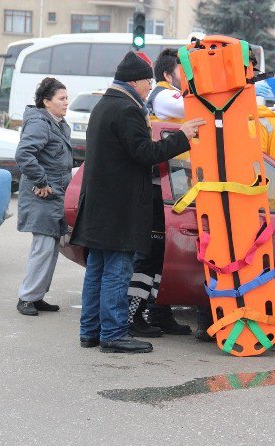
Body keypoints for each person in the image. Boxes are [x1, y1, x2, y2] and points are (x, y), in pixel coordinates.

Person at [71, 51, 205, 353]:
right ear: (134, 81)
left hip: (99, 206)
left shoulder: (105, 105)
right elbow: (145, 153)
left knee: (97, 272)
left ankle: (90, 331)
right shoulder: (126, 109)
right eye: (147, 82)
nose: (149, 87)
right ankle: (114, 334)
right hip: (119, 209)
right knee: (117, 272)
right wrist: (182, 136)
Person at [125, 48, 192, 338]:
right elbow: (195, 108)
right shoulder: (166, 96)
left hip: (176, 187)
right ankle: (133, 314)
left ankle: (158, 311)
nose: (187, 77)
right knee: (150, 256)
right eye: (183, 70)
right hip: (159, 189)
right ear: (168, 74)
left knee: (163, 256)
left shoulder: (167, 95)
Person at [15, 77, 72, 316]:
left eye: (67, 98)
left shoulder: (58, 123)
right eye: (62, 98)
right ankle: (26, 298)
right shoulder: (40, 123)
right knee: (43, 247)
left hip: (55, 195)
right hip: (43, 195)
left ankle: (37, 296)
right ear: (47, 102)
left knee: (50, 247)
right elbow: (24, 154)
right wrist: (41, 182)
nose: (66, 103)